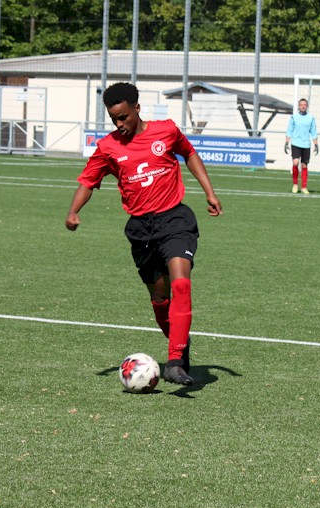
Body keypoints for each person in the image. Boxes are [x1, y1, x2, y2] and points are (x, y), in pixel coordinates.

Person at [65, 82, 223, 386]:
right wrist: (74, 211)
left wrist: (209, 192)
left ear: (137, 108)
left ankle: (174, 360)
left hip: (175, 218)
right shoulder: (108, 147)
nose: (119, 124)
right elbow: (88, 181)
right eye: (114, 119)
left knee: (181, 282)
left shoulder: (165, 130)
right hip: (141, 230)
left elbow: (189, 154)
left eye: (123, 117)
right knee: (160, 298)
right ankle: (181, 340)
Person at [284, 98, 319, 194]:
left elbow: (313, 132)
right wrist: (286, 143)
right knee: (295, 163)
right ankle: (295, 184)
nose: (303, 106)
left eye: (304, 105)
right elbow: (289, 130)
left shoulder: (311, 118)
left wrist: (316, 145)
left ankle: (304, 187)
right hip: (295, 143)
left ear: (307, 106)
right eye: (301, 105)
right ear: (299, 106)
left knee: (304, 165)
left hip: (306, 145)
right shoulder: (293, 117)